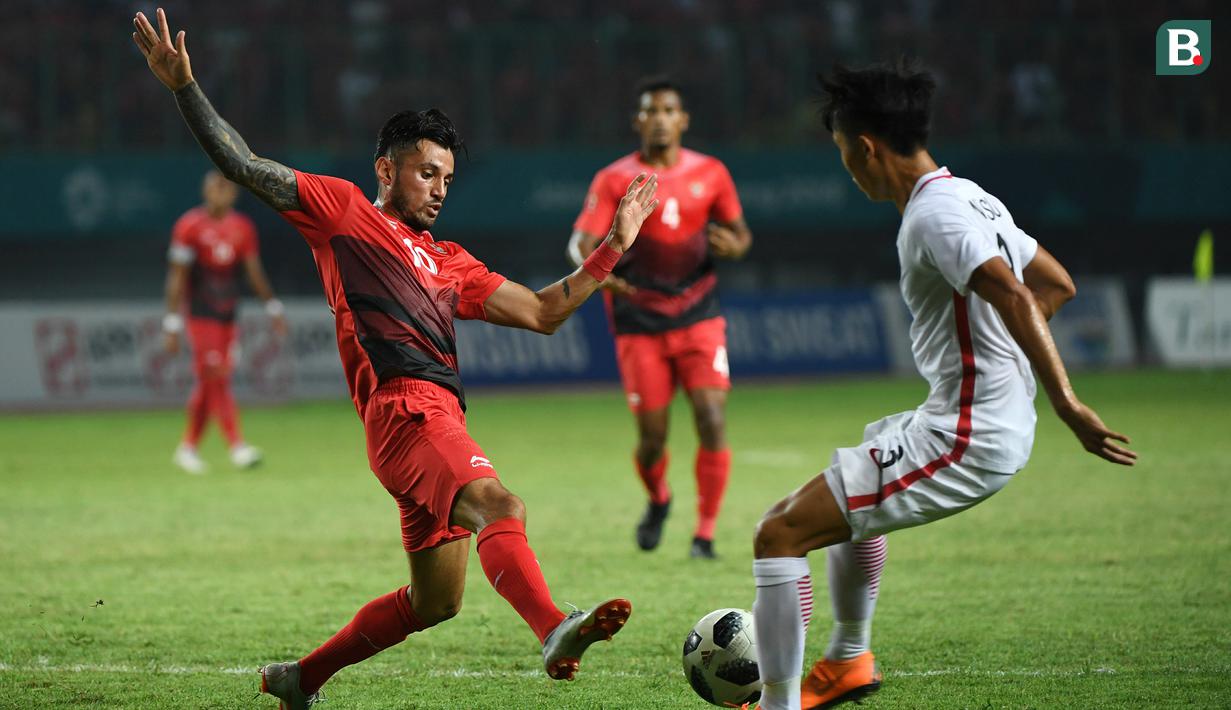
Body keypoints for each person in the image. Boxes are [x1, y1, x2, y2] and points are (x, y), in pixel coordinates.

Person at [132, 9, 659, 708]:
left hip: (428, 420)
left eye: (447, 176)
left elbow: (542, 312)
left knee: (435, 601)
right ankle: (552, 627)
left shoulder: (450, 261)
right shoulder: (346, 213)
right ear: (386, 168)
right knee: (500, 503)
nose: (440, 188)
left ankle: (300, 679)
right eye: (426, 172)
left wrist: (614, 245)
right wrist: (185, 88)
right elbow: (244, 164)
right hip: (405, 409)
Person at [747, 60, 1137, 710]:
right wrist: (1003, 363)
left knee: (777, 535)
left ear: (867, 147)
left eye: (844, 152)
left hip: (967, 434)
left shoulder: (936, 218)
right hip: (966, 418)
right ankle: (847, 660)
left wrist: (1066, 403)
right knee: (851, 486)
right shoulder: (969, 196)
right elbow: (1056, 284)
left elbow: (1014, 291)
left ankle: (778, 704)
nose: (846, 167)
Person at [567, 76, 752, 560]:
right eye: (651, 111)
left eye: (669, 110)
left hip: (698, 312)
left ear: (683, 119)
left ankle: (704, 535)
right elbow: (579, 243)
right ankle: (659, 498)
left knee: (711, 418)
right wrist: (599, 273)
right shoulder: (614, 179)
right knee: (652, 441)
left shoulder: (711, 172)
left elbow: (740, 235)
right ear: (639, 122)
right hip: (638, 319)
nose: (660, 119)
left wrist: (735, 246)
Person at [164, 170, 286, 474]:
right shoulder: (189, 226)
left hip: (229, 315)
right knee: (216, 375)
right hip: (200, 314)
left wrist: (272, 305)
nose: (220, 194)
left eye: (225, 189)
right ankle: (237, 445)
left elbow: (253, 271)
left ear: (234, 194)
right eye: (214, 188)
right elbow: (177, 277)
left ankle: (187, 448)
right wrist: (171, 323)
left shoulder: (242, 228)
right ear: (205, 192)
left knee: (212, 380)